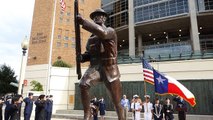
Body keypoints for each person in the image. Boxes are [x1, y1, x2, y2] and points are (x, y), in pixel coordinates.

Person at [77, 8, 124, 120]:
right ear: (93, 19)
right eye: (95, 16)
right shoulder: (91, 40)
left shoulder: (110, 31)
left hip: (110, 68)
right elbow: (89, 54)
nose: (98, 17)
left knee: (116, 101)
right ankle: (87, 115)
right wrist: (82, 57)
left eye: (100, 15)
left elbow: (102, 34)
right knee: (83, 84)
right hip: (95, 68)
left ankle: (122, 118)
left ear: (104, 18)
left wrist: (83, 22)